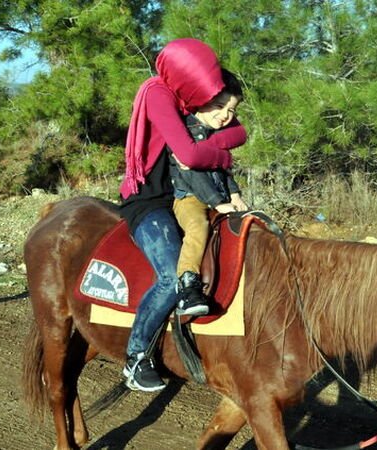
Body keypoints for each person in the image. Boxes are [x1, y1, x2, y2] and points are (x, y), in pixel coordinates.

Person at [119, 38, 247, 391]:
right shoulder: (159, 94)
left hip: (184, 195)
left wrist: (210, 139)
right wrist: (222, 156)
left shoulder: (191, 103)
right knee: (169, 275)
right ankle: (136, 356)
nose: (219, 110)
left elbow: (239, 131)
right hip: (151, 200)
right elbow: (189, 156)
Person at [169, 69, 249, 315]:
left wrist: (234, 194)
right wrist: (217, 202)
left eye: (231, 110)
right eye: (219, 106)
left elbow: (223, 168)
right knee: (198, 227)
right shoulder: (185, 132)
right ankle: (187, 283)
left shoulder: (217, 135)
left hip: (220, 198)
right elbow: (192, 173)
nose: (225, 115)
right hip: (189, 198)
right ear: (201, 100)